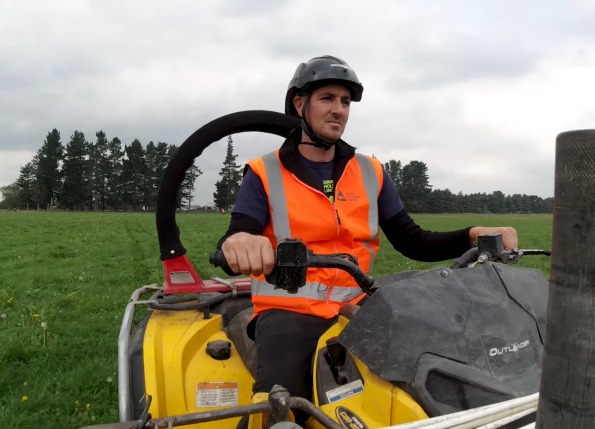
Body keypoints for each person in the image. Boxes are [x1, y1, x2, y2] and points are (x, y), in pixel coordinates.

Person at [216, 55, 518, 426]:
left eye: (345, 102)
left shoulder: (370, 171)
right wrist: (241, 243)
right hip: (290, 314)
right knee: (279, 408)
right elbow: (239, 233)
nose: (338, 110)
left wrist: (470, 236)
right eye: (327, 98)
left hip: (362, 307)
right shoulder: (265, 172)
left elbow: (413, 241)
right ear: (300, 104)